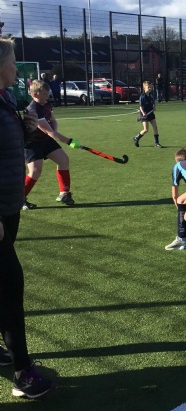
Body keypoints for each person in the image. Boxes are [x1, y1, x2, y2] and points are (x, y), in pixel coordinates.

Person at [0, 37, 56, 399]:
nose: (16, 67)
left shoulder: (5, 98)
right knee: (10, 287)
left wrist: (27, 127)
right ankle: (23, 374)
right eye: (12, 61)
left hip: (8, 206)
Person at [23, 80, 80, 209]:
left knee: (63, 160)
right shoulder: (33, 109)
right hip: (32, 143)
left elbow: (53, 121)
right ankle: (20, 199)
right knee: (35, 171)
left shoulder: (46, 105)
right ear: (35, 94)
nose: (47, 96)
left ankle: (64, 193)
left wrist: (54, 131)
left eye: (47, 93)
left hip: (46, 140)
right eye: (44, 94)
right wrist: (70, 141)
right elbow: (49, 132)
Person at [133, 80, 163, 148]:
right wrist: (143, 113)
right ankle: (136, 138)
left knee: (155, 127)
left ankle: (157, 143)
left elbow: (154, 102)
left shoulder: (151, 96)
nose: (150, 88)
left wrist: (154, 107)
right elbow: (140, 106)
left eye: (150, 87)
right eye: (148, 87)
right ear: (144, 88)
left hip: (151, 113)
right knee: (146, 130)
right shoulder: (143, 96)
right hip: (144, 114)